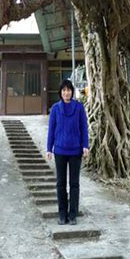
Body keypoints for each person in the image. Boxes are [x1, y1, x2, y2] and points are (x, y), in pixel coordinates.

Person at [46, 79, 89, 225]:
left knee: (74, 183)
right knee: (60, 183)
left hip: (76, 151)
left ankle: (73, 214)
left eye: (69, 90)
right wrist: (48, 149)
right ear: (60, 92)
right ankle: (62, 214)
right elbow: (51, 130)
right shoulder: (55, 109)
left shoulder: (79, 108)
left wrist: (85, 145)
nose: (66, 93)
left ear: (72, 92)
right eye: (64, 90)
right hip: (59, 150)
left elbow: (84, 127)